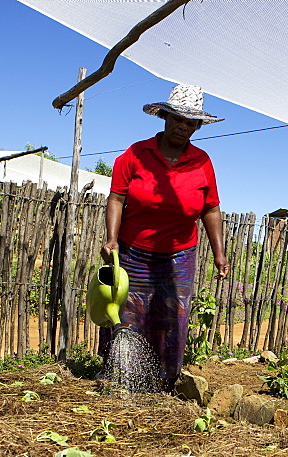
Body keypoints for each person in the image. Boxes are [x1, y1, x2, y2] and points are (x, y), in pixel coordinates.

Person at [100, 84, 231, 391]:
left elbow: (211, 208)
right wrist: (111, 239)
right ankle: (121, 378)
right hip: (133, 252)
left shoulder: (202, 162)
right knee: (125, 311)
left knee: (172, 316)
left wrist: (219, 253)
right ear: (164, 117)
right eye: (177, 118)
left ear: (198, 126)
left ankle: (162, 382)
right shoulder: (136, 154)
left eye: (190, 122)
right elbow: (117, 197)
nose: (183, 126)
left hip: (179, 255)